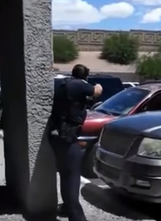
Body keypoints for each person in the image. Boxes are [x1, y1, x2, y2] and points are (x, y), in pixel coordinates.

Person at [49, 64, 103, 221]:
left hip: (57, 136)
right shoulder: (79, 85)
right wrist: (97, 85)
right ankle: (77, 217)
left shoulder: (64, 84)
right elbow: (97, 91)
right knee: (72, 178)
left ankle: (67, 208)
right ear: (85, 75)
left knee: (66, 175)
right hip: (67, 137)